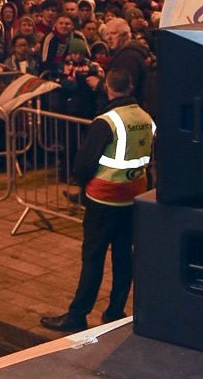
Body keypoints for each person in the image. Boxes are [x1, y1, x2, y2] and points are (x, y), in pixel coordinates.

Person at [40, 68, 155, 333]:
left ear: (108, 88)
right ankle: (115, 311)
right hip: (133, 196)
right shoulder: (147, 118)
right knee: (124, 257)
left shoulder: (107, 120)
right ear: (131, 86)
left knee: (93, 257)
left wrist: (79, 183)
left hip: (104, 199)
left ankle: (78, 315)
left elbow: (85, 161)